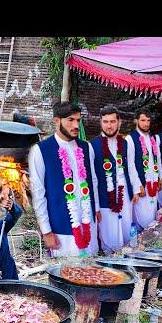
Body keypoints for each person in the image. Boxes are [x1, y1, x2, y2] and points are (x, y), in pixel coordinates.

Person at [29, 101, 100, 257]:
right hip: (61, 228)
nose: (76, 125)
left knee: (90, 271)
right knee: (66, 273)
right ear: (57, 121)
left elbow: (93, 181)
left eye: (78, 120)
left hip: (88, 223)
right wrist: (46, 231)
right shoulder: (41, 150)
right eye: (70, 120)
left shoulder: (87, 147)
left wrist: (97, 209)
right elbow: (38, 194)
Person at [91, 105, 143, 253]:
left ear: (119, 122)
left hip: (125, 195)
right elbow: (92, 179)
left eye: (112, 121)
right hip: (105, 197)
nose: (109, 126)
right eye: (105, 121)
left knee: (127, 229)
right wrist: (94, 206)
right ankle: (110, 263)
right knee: (109, 236)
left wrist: (136, 189)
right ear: (100, 122)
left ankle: (128, 261)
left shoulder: (126, 143)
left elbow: (131, 167)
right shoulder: (92, 146)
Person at [129, 108, 162, 230]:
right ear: (136, 121)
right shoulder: (131, 138)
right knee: (142, 215)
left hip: (154, 182)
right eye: (143, 120)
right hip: (142, 185)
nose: (146, 123)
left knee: (152, 213)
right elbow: (130, 164)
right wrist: (137, 185)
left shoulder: (152, 137)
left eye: (148, 120)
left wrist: (161, 176)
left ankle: (150, 238)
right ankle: (141, 240)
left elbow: (158, 158)